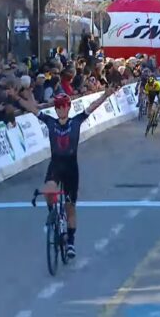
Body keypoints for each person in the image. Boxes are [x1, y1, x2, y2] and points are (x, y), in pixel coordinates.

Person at [17, 87, 118, 259]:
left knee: (70, 208)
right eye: (58, 107)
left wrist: (106, 95)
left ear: (68, 108)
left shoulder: (76, 121)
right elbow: (32, 109)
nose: (61, 109)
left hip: (71, 166)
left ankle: (70, 242)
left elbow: (93, 106)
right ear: (55, 109)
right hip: (55, 164)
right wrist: (15, 97)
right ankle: (53, 215)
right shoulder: (50, 122)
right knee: (49, 189)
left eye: (64, 106)